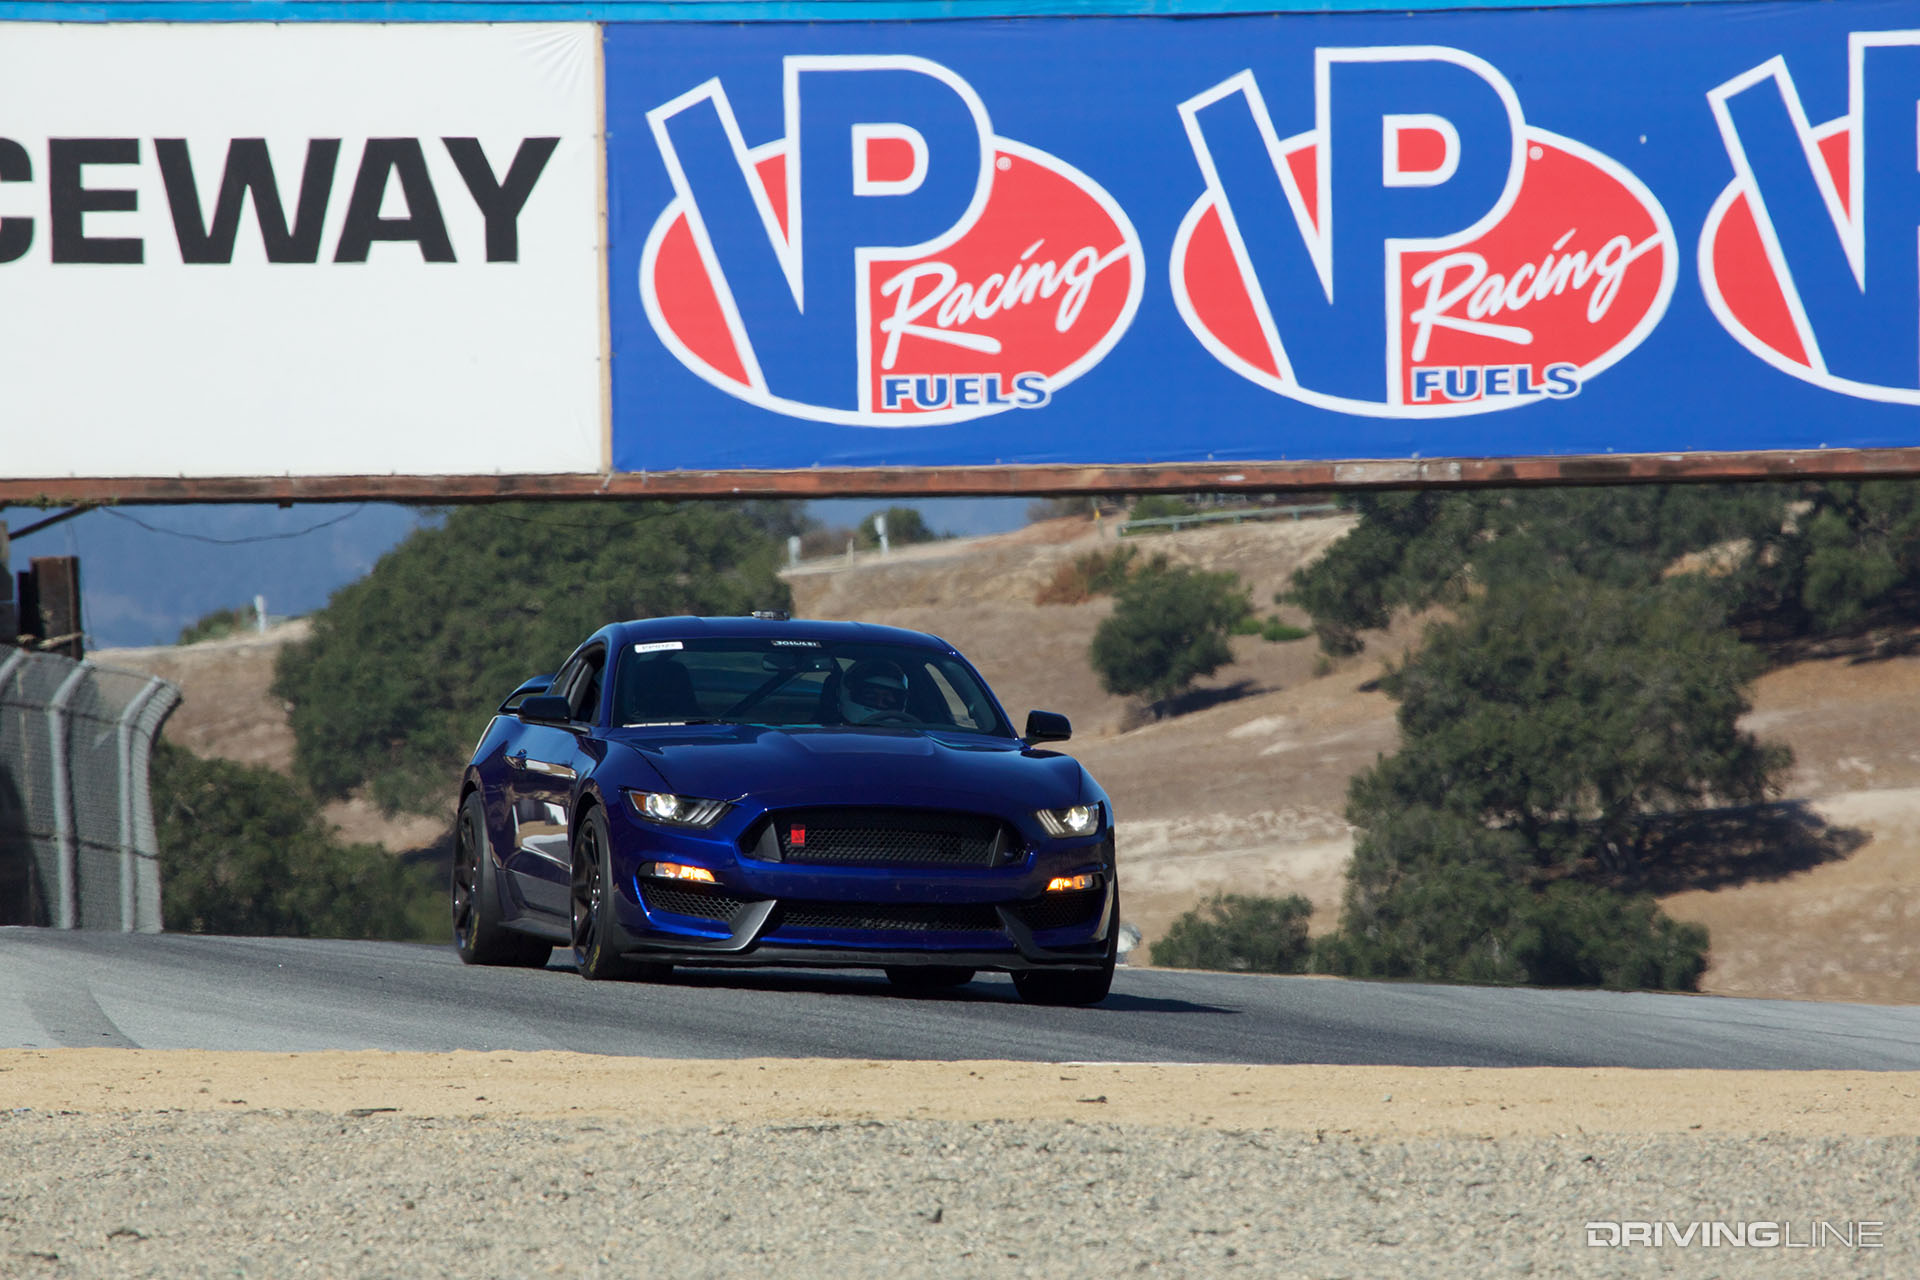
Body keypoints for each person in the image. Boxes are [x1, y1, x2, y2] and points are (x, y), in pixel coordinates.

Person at [838, 658, 910, 725]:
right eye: (871, 697)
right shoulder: (830, 734)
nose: (879, 704)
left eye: (887, 699)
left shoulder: (910, 735)